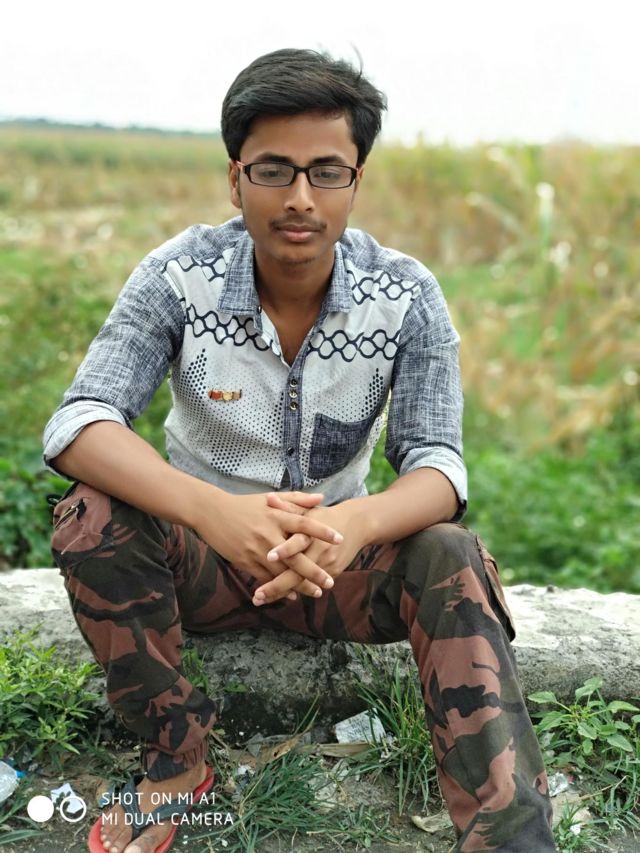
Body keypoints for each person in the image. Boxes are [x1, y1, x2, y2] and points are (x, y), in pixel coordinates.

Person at [43, 48, 555, 853]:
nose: (300, 198)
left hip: (335, 569)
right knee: (92, 513)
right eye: (274, 170)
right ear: (235, 178)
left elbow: (439, 465)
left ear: (356, 180)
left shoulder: (405, 295)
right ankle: (177, 761)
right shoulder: (179, 277)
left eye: (326, 172)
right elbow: (80, 421)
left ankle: (510, 834)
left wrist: (355, 526)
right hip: (201, 566)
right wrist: (216, 514)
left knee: (450, 550)